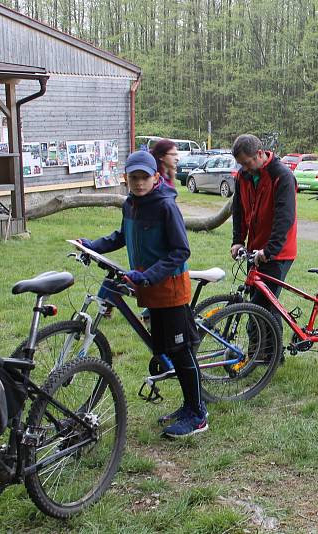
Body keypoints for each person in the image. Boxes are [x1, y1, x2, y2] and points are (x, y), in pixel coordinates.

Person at [79, 151, 206, 438]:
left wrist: (147, 275)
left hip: (170, 290)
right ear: (126, 178)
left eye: (144, 177)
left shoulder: (165, 206)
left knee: (181, 352)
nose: (138, 183)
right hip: (149, 289)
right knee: (164, 349)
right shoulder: (130, 205)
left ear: (155, 177)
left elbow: (181, 251)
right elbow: (121, 236)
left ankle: (198, 414)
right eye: (133, 177)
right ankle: (188, 405)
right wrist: (92, 245)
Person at [230, 134, 298, 358]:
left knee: (260, 306)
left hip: (278, 253)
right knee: (265, 303)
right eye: (241, 165)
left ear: (260, 154)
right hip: (256, 250)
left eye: (247, 163)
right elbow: (239, 210)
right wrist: (238, 240)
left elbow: (285, 219)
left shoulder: (282, 176)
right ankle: (269, 355)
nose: (245, 169)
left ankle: (264, 357)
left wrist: (270, 251)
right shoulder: (243, 176)